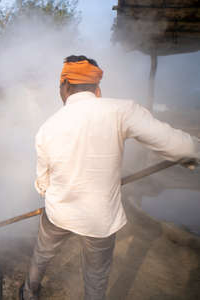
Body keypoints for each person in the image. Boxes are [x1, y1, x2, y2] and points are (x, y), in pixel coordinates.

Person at [20, 55, 199, 300]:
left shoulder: (47, 128)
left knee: (42, 254)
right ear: (97, 88)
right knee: (96, 277)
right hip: (100, 221)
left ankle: (29, 292)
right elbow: (182, 148)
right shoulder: (122, 111)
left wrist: (50, 190)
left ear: (65, 85)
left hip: (58, 213)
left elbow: (43, 183)